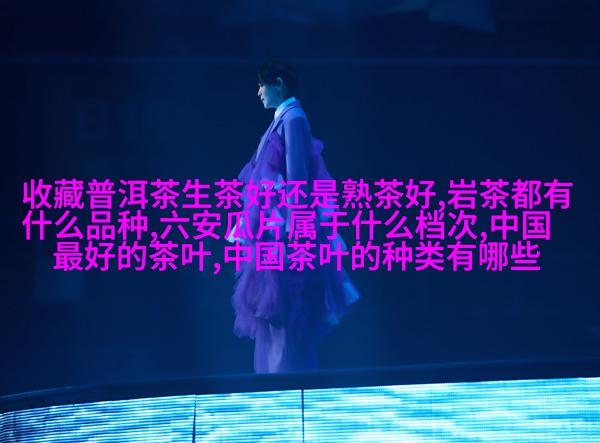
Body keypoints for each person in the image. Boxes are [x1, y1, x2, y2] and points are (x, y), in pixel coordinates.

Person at [229, 60, 360, 373]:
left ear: (278, 83)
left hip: (287, 234)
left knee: (286, 310)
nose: (259, 92)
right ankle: (274, 377)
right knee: (272, 312)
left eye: (262, 85)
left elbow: (298, 178)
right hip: (274, 232)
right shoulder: (282, 120)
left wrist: (294, 228)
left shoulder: (294, 119)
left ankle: (288, 378)